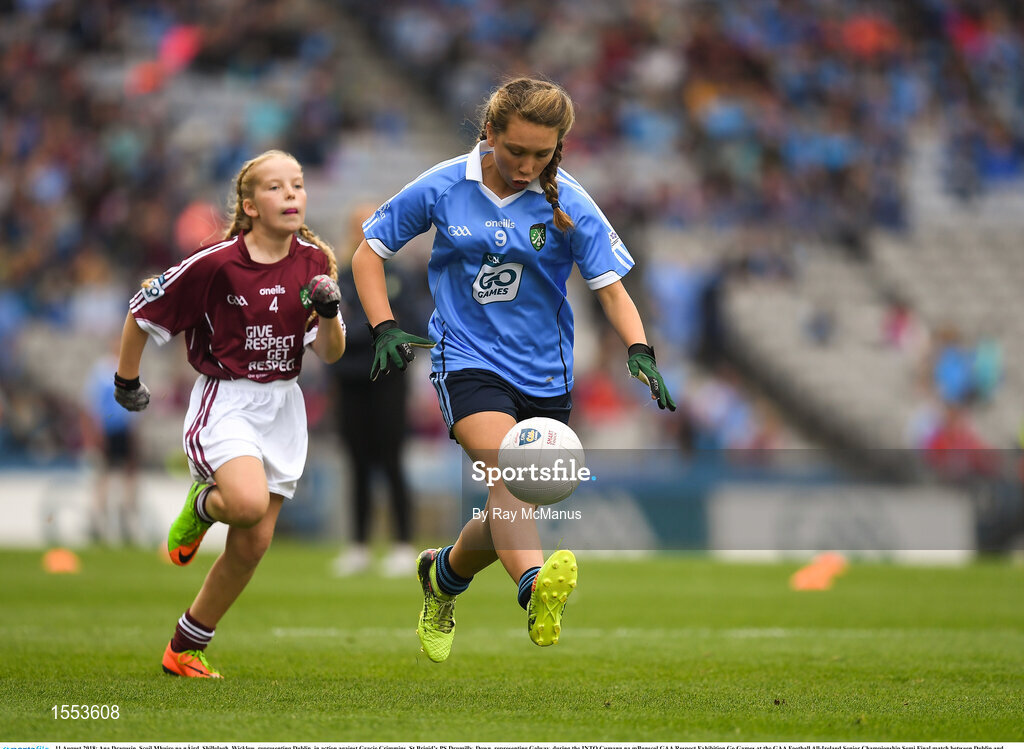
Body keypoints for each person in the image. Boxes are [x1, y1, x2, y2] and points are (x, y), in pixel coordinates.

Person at [351, 77, 675, 663]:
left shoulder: (569, 204)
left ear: (559, 148)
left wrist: (639, 349)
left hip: (547, 375)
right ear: (489, 133)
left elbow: (612, 290)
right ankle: (533, 588)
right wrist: (384, 325)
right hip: (466, 360)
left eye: (541, 154)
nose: (527, 166)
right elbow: (369, 251)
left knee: (510, 500)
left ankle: (443, 576)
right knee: (513, 472)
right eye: (516, 150)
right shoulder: (445, 185)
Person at [113, 150, 346, 678]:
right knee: (244, 504)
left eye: (297, 184)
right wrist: (127, 380)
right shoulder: (215, 263)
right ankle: (203, 506)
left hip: (284, 407)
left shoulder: (314, 261)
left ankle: (185, 647)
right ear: (250, 206)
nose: (291, 194)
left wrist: (330, 314)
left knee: (253, 544)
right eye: (275, 187)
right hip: (229, 401)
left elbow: (330, 352)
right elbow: (142, 311)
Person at [330, 203, 425, 577]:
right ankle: (358, 545)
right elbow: (335, 330)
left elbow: (411, 325)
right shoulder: (338, 278)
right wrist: (377, 330)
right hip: (349, 381)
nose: (365, 231)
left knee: (392, 460)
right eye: (359, 224)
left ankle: (403, 543)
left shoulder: (399, 274)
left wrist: (365, 329)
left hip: (389, 380)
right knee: (355, 462)